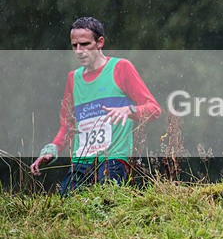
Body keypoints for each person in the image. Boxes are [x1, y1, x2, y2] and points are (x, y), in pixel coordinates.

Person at [30, 17, 162, 195]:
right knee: (68, 205)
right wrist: (51, 150)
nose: (79, 51)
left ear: (100, 42)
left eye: (85, 44)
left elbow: (154, 109)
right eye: (74, 45)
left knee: (105, 203)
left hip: (114, 158)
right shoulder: (73, 78)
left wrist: (129, 110)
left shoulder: (121, 67)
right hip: (81, 161)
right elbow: (68, 125)